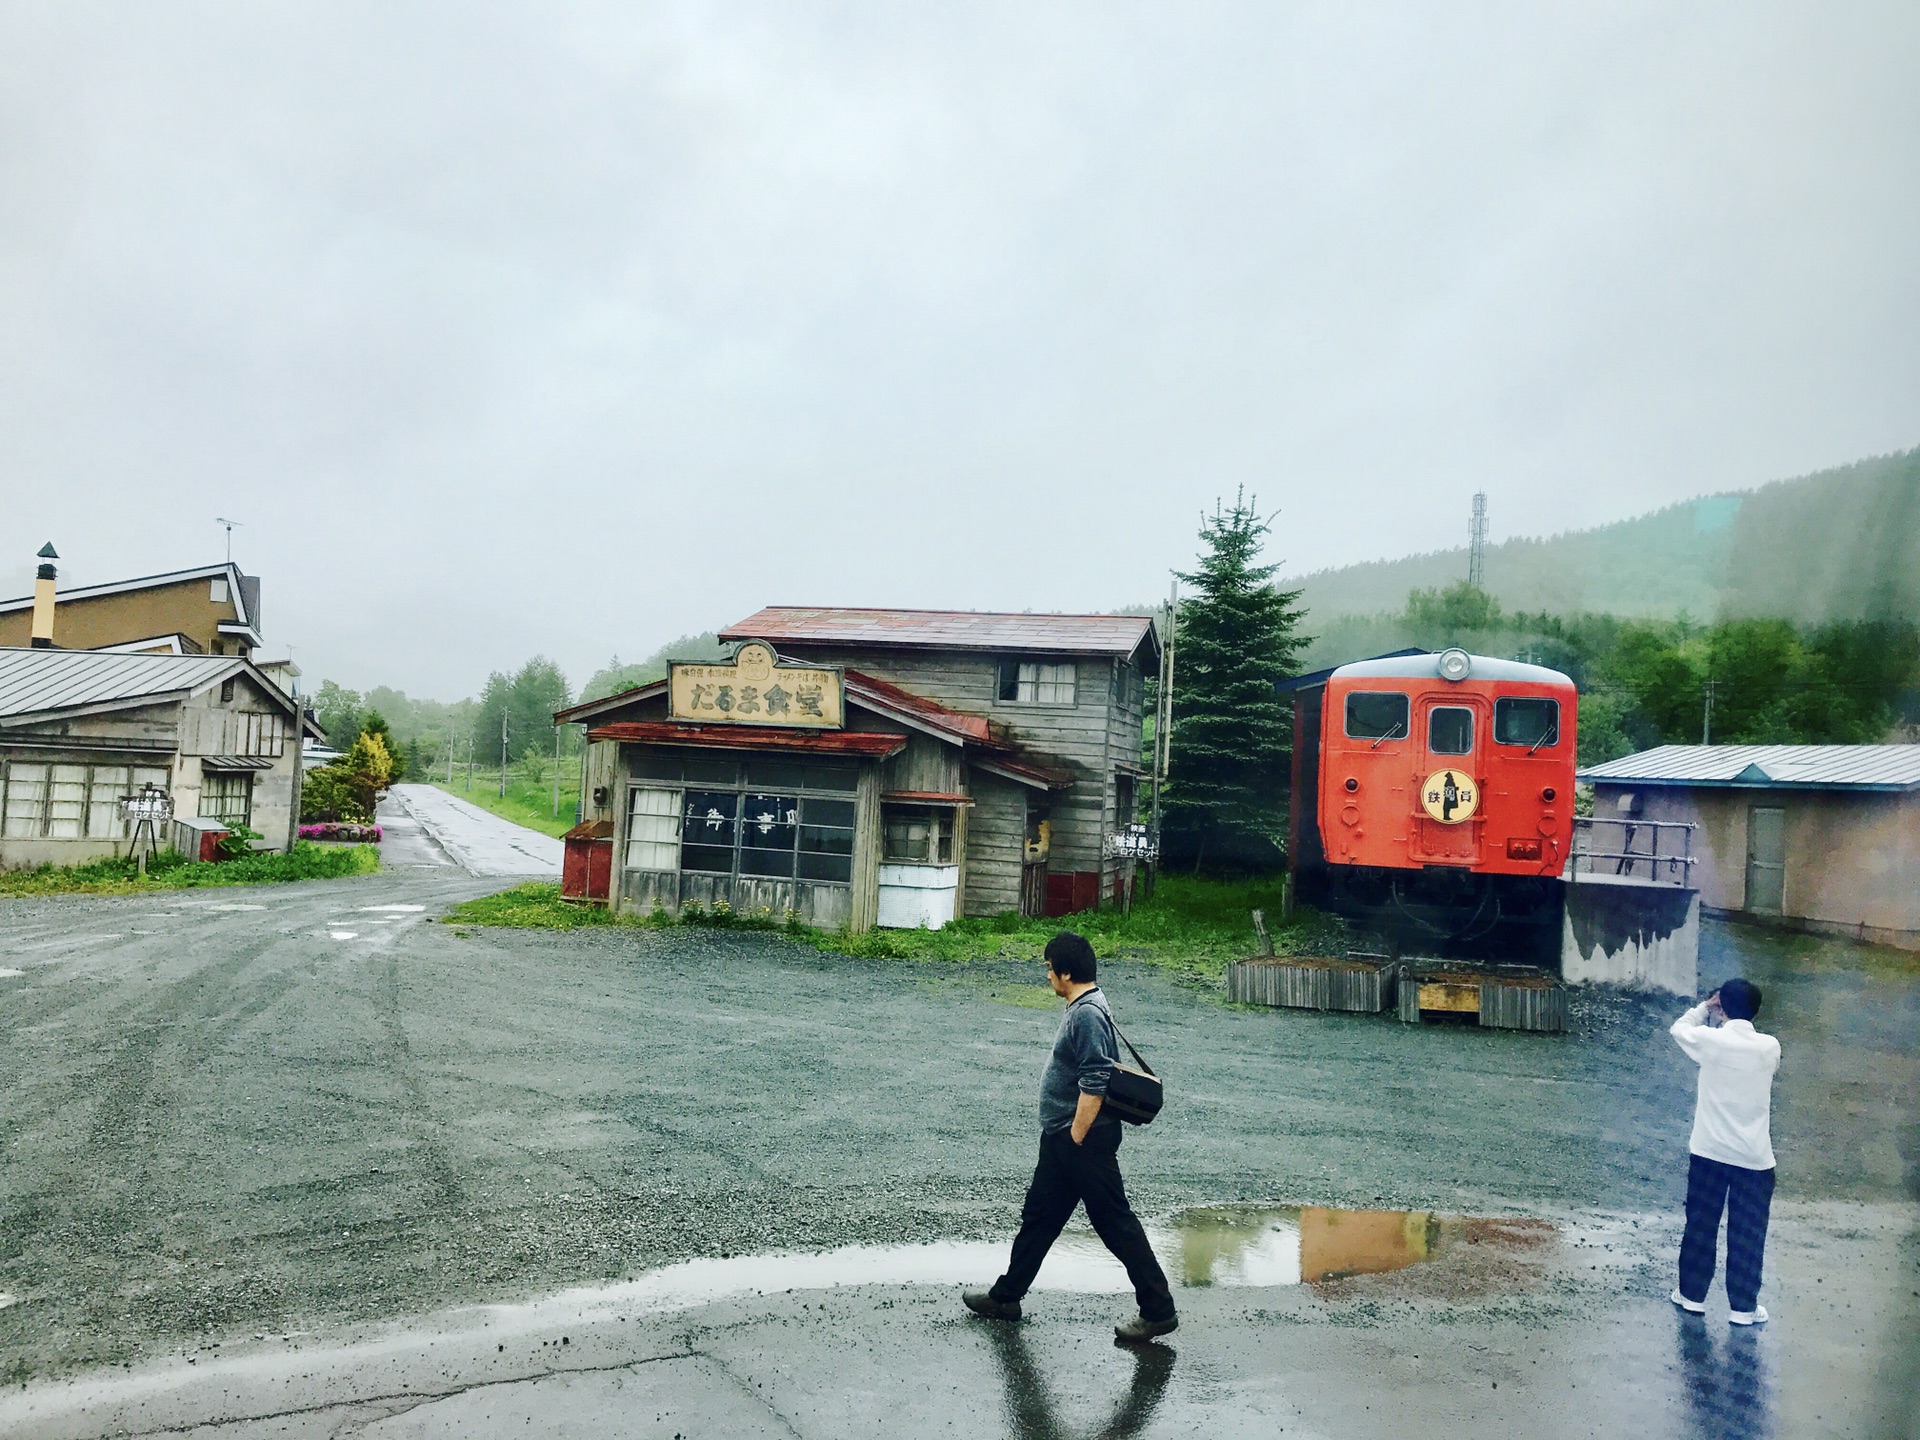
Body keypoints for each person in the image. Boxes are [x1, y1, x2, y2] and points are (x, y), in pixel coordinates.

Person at [963, 931, 1178, 1343]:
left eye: (1049, 969)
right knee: (1040, 1217)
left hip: (1081, 1141)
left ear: (1065, 973)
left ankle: (1159, 1310)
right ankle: (1006, 1297)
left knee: (1115, 1223)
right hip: (1064, 1139)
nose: (1047, 976)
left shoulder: (1087, 1014)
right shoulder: (1083, 1005)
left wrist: (1076, 1136)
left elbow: (1096, 1077)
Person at [1669, 978, 1780, 1326]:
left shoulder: (1711, 1041)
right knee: (1748, 1232)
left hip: (1709, 1151)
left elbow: (1679, 1028)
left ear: (1722, 1006)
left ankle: (1692, 1297)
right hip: (1754, 1157)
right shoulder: (1770, 1047)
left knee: (1701, 1225)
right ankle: (1743, 1308)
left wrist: (1705, 1007)